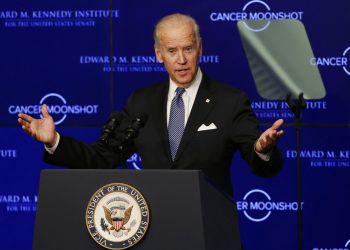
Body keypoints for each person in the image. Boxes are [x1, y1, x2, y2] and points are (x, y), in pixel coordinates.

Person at [18, 13, 284, 195]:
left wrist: (262, 150)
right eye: (172, 51)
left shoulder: (229, 100)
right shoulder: (141, 102)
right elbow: (102, 157)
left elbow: (263, 166)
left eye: (188, 49)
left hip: (209, 229)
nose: (181, 59)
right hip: (154, 229)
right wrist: (55, 141)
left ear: (200, 48)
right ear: (159, 55)